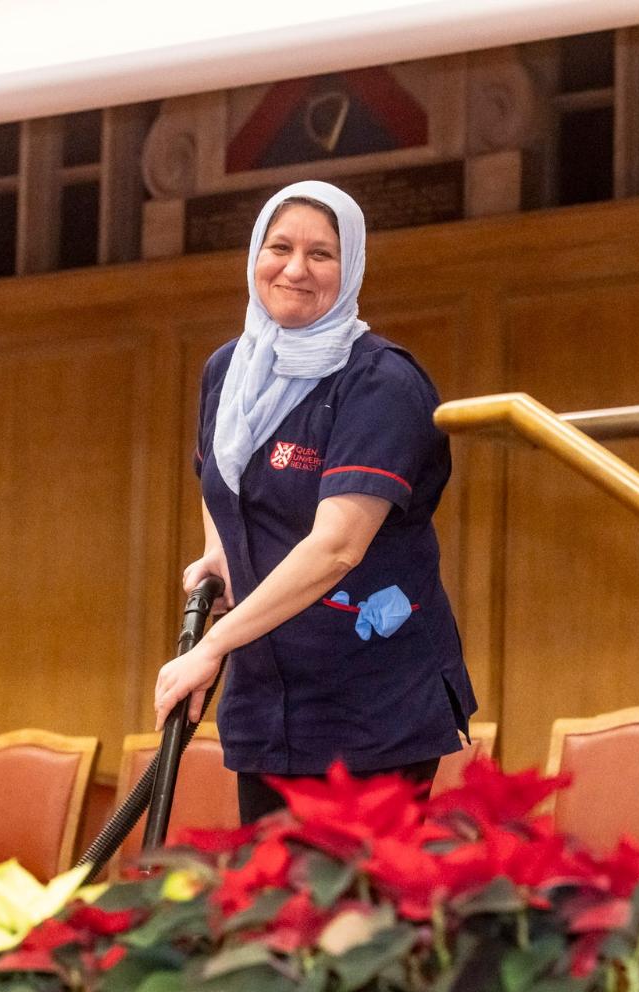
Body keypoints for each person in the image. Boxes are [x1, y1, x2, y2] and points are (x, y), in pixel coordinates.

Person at [152, 179, 477, 824]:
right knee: (274, 911)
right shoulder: (229, 370)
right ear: (254, 258)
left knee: (352, 918)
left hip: (371, 707)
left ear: (350, 266)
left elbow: (336, 548)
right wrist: (219, 559)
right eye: (280, 247)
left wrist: (212, 648)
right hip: (270, 701)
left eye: (321, 254)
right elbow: (221, 481)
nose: (295, 269)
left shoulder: (380, 382)